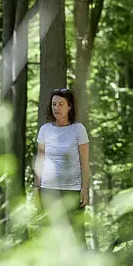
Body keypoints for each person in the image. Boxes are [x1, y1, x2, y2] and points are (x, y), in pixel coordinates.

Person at [34, 88, 90, 246]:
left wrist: (85, 189)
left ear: (69, 107)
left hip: (72, 190)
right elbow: (40, 160)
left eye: (60, 104)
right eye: (54, 104)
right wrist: (36, 188)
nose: (56, 108)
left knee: (77, 234)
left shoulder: (78, 130)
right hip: (48, 189)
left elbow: (85, 163)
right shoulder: (45, 130)